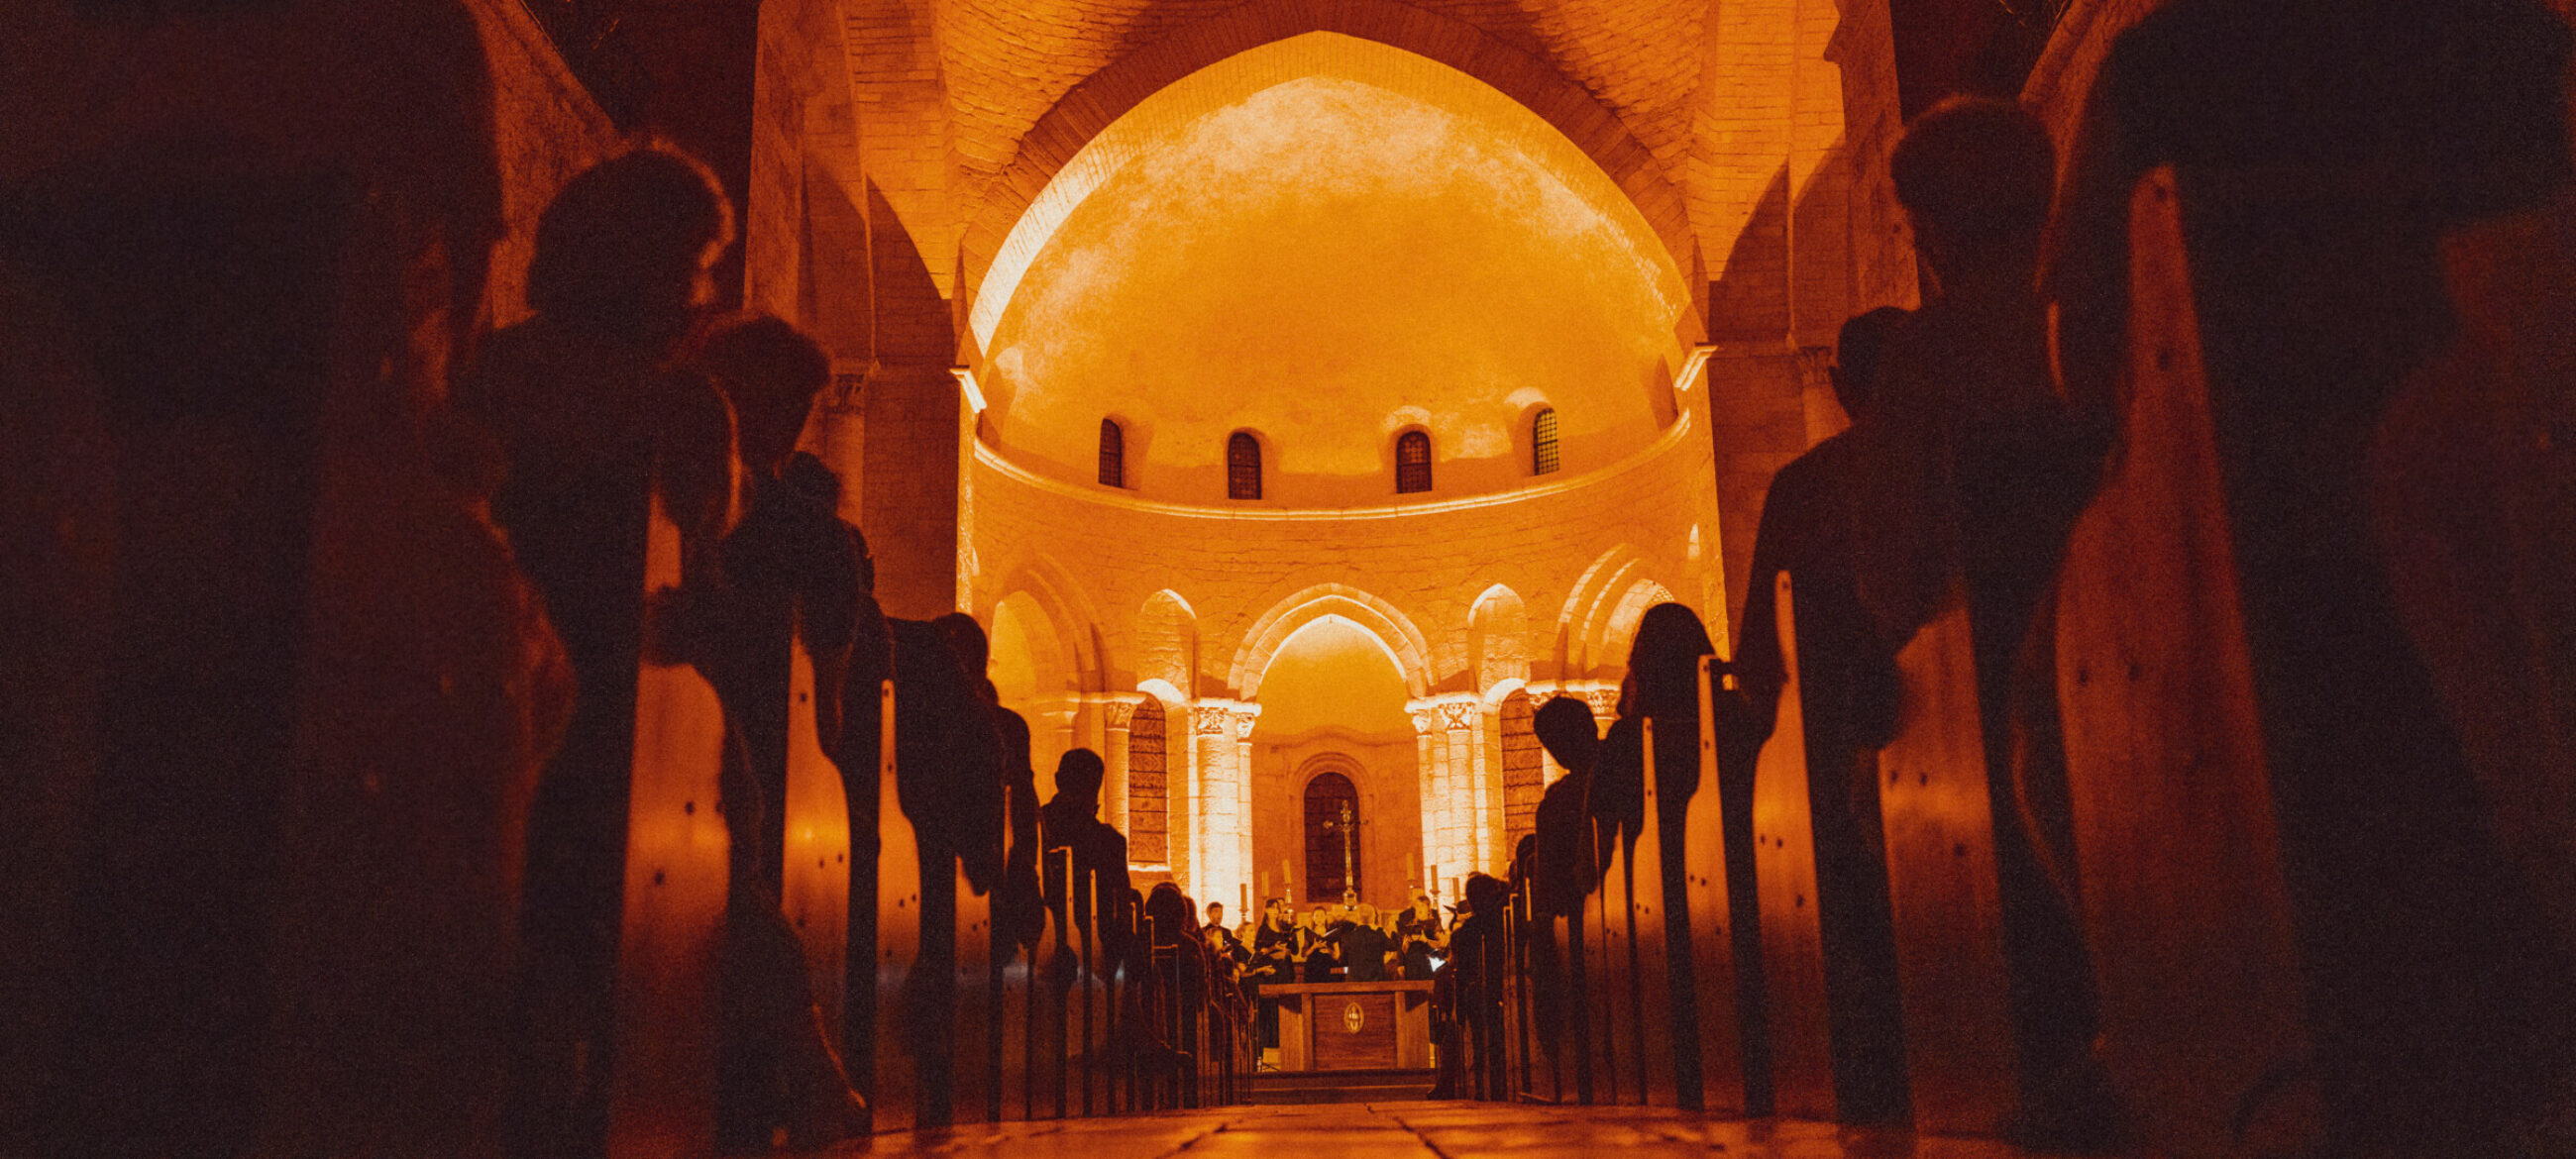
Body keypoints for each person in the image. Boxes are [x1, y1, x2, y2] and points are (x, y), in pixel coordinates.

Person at [2047, 4, 2576, 1152]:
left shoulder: (2161, 63)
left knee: (2054, 681)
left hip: (2262, 517)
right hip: (2515, 461)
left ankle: (2134, 1027)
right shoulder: (2513, 40)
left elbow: (2080, 345)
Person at [453, 146, 740, 1156]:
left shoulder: (489, 371)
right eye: (696, 266)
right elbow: (705, 596)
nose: (701, 294)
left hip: (471, 703)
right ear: (657, 268)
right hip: (615, 733)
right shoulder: (680, 410)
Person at [1733, 306, 1913, 1124]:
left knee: (1870, 927)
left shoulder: (1809, 488)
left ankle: (1877, 1084)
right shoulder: (1961, 456)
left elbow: (1758, 667)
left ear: (1838, 388)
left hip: (1845, 738)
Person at [1590, 602, 1732, 1110]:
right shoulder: (1736, 719)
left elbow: (1599, 823)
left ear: (1638, 665)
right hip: (1738, 894)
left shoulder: (1628, 740)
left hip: (1650, 903)